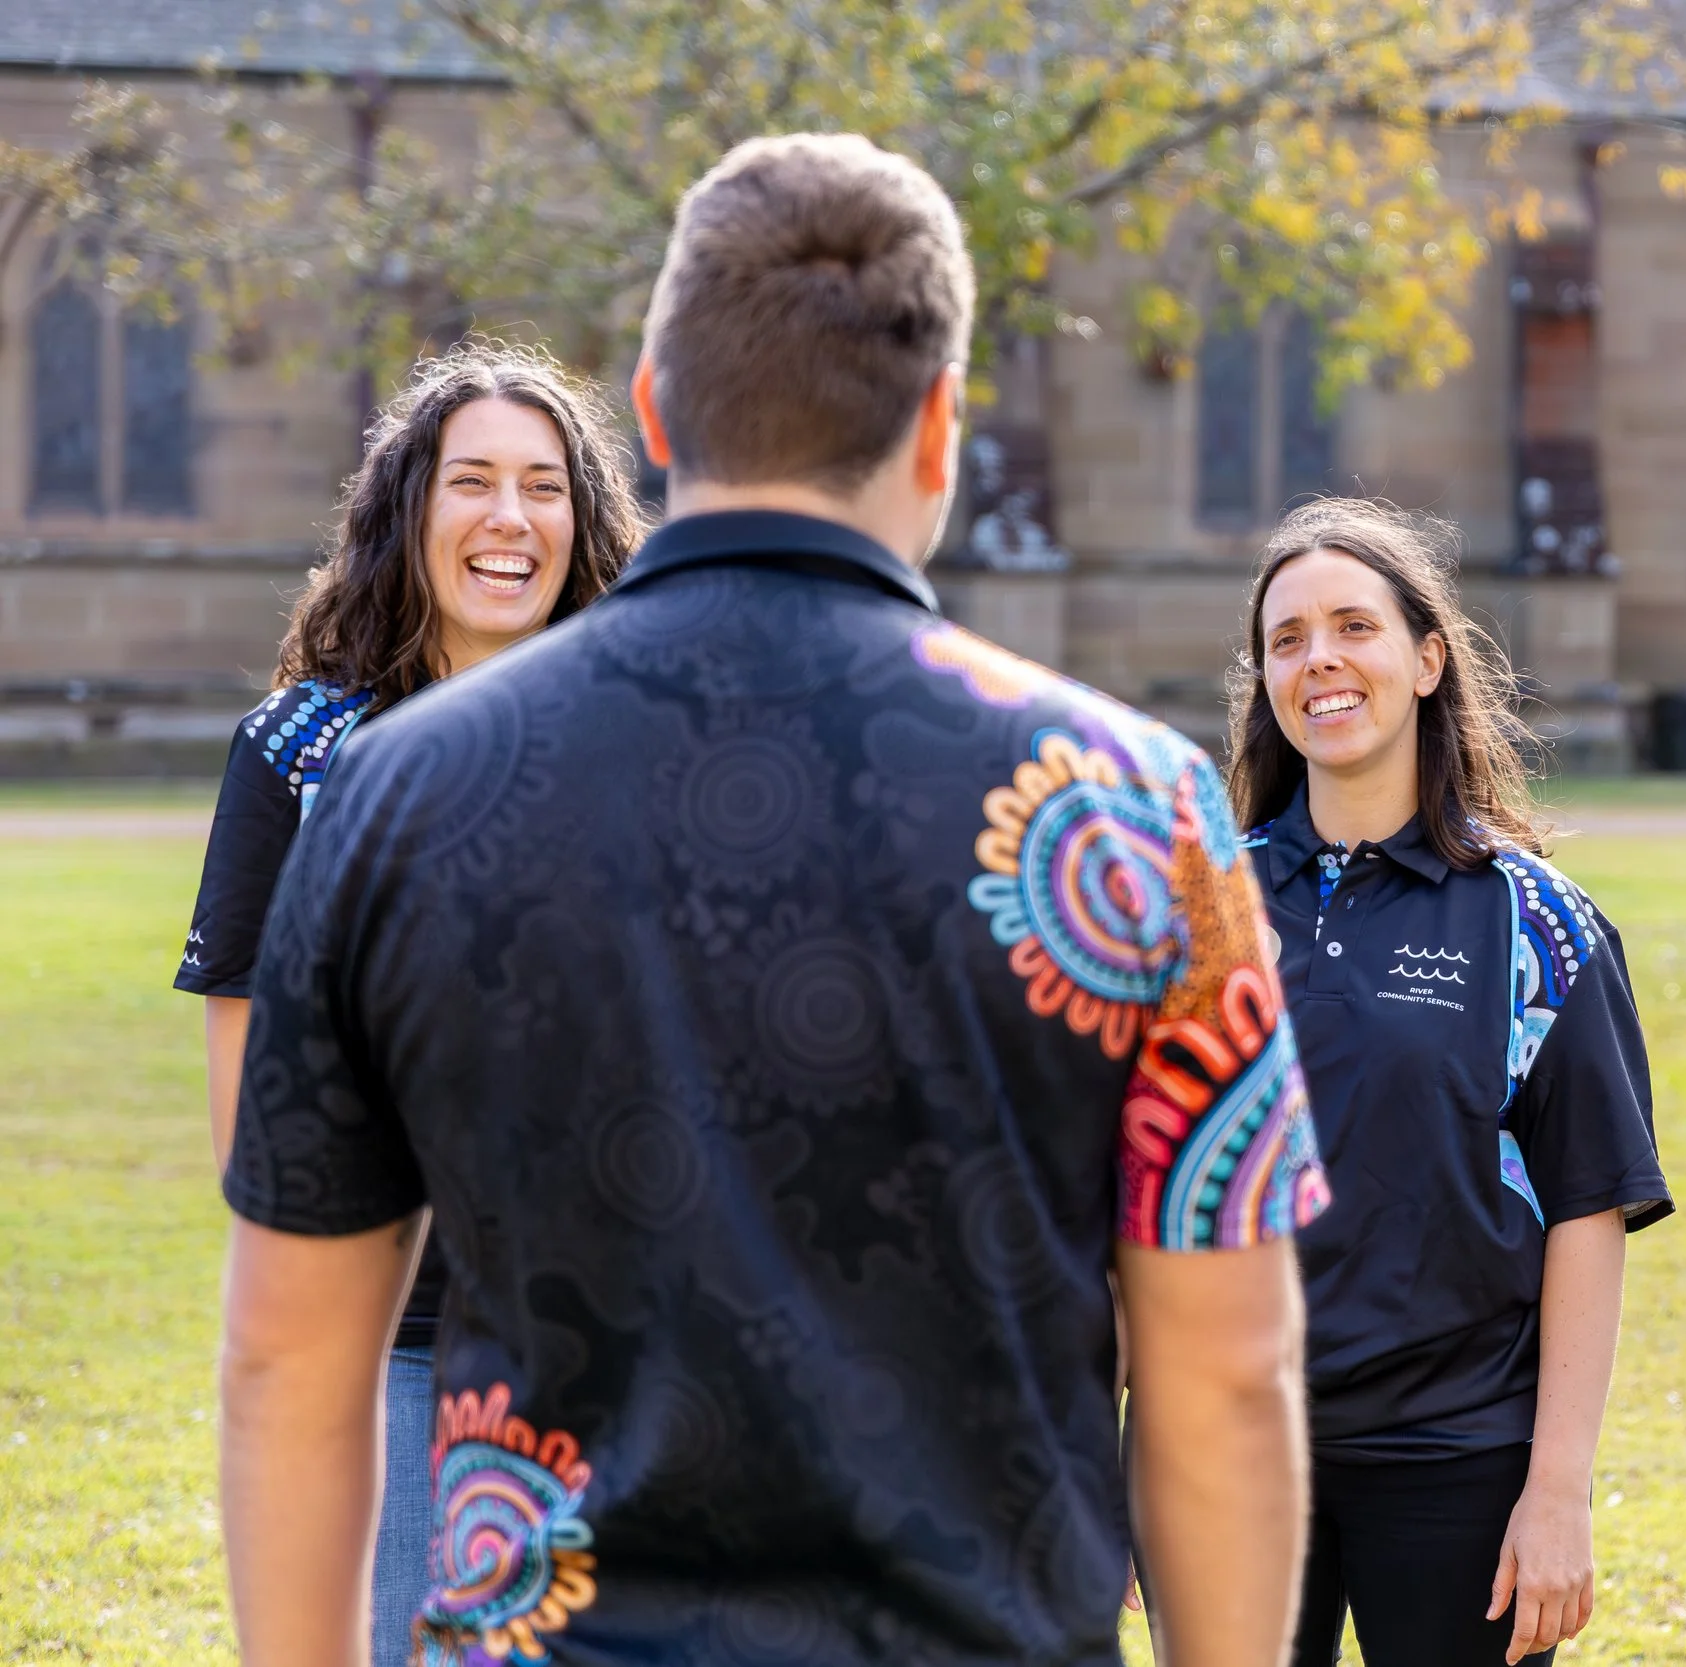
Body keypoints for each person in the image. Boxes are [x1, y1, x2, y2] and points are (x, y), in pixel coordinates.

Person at [214, 131, 1328, 1667]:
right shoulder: (1145, 814)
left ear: (658, 407)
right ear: (942, 428)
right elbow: (1229, 1369)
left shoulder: (399, 794)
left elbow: (288, 1360)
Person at [175, 341, 644, 1664]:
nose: (511, 518)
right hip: (403, 1354)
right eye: (473, 482)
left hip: (636, 1349)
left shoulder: (650, 748)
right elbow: (253, 1131)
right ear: (409, 513)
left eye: (546, 487)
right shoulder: (300, 758)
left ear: (587, 520)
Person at [1226, 499, 1672, 1667]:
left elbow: (1588, 1204)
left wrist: (1558, 1492)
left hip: (1456, 1454)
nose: (1318, 658)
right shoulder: (1200, 911)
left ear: (1426, 659)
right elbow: (1140, 1187)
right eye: (1286, 638)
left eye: (1351, 626)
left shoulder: (1539, 924)